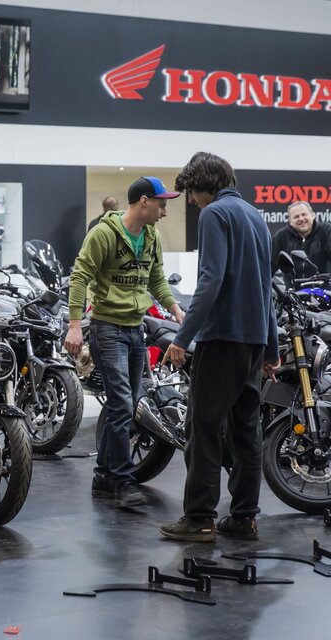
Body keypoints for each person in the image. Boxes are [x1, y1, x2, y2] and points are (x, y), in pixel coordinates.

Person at [159, 152, 279, 543]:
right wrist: (271, 348)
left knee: (203, 428)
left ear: (203, 184)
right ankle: (243, 518)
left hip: (222, 338)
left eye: (192, 193)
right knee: (246, 431)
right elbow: (266, 288)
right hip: (253, 341)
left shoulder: (215, 214)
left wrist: (182, 338)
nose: (192, 201)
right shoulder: (256, 217)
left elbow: (210, 281)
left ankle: (199, 519)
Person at [65, 177, 184, 507]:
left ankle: (104, 477)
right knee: (120, 404)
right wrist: (74, 325)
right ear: (144, 201)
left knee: (127, 405)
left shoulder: (151, 236)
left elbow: (156, 279)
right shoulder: (103, 234)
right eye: (161, 204)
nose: (164, 211)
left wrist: (176, 310)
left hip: (135, 329)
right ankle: (122, 481)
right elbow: (80, 276)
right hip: (107, 329)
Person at [271, 201, 331, 278]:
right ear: (290, 221)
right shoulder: (281, 236)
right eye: (296, 216)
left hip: (322, 284)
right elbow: (270, 266)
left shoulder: (326, 230)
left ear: (313, 215)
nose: (301, 218)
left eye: (304, 214)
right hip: (292, 285)